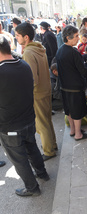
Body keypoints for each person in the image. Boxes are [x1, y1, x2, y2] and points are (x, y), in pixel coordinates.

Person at [0, 35, 49, 196]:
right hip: (28, 118)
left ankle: (32, 188)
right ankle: (42, 173)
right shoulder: (23, 64)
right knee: (32, 148)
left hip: (10, 125)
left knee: (19, 159)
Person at [15, 22, 58, 161]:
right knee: (47, 121)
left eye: (17, 35)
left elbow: (31, 79)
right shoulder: (39, 48)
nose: (16, 38)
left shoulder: (28, 52)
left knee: (41, 123)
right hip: (46, 89)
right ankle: (52, 145)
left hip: (37, 93)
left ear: (26, 37)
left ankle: (49, 151)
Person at [56, 25, 87, 141]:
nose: (78, 38)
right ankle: (78, 134)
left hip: (64, 87)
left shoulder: (60, 50)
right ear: (68, 38)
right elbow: (83, 71)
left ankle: (72, 130)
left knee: (69, 111)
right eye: (76, 36)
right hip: (75, 88)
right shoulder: (73, 52)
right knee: (77, 112)